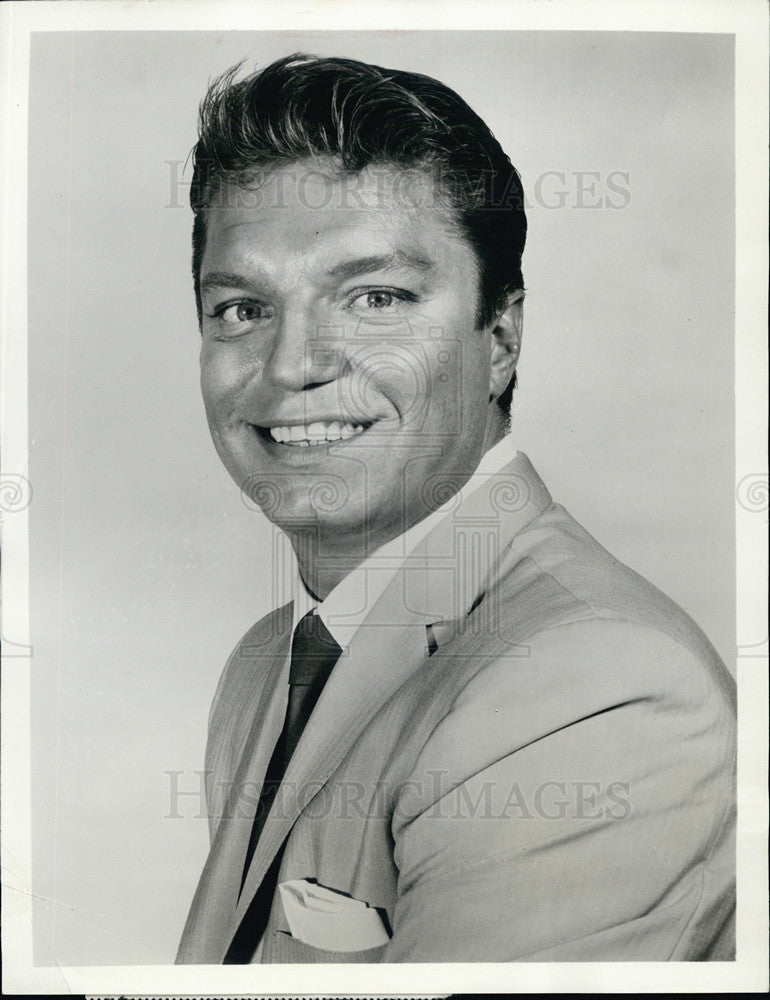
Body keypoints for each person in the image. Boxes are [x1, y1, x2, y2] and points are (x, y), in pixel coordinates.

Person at [176, 53, 736, 964]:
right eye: (242, 309)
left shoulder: (598, 686)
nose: (291, 366)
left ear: (502, 339)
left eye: (377, 298)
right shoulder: (261, 669)